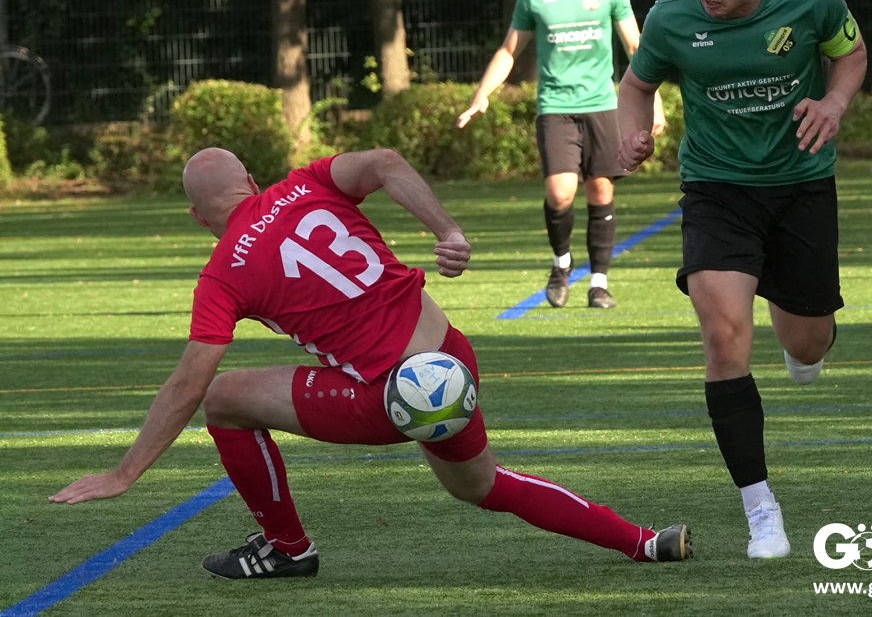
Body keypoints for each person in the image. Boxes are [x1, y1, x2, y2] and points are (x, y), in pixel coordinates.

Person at [50, 146, 691, 578]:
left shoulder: (222, 275)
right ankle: (642, 541)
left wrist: (125, 472)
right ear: (252, 183)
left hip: (390, 397)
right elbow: (385, 161)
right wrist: (448, 231)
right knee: (484, 486)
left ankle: (287, 549)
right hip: (450, 364)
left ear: (197, 218)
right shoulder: (305, 182)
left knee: (221, 398)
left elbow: (188, 383)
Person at [617, 0, 867, 559]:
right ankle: (762, 512)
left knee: (807, 341)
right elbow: (635, 85)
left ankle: (804, 339)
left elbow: (851, 53)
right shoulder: (672, 16)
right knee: (724, 336)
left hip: (802, 184)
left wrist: (835, 101)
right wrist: (633, 133)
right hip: (716, 190)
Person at [457, 0, 664, 310]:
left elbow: (636, 47)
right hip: (555, 106)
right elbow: (509, 50)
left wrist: (652, 98)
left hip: (602, 104)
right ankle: (561, 264)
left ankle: (599, 283)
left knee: (601, 188)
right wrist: (482, 93)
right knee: (560, 191)